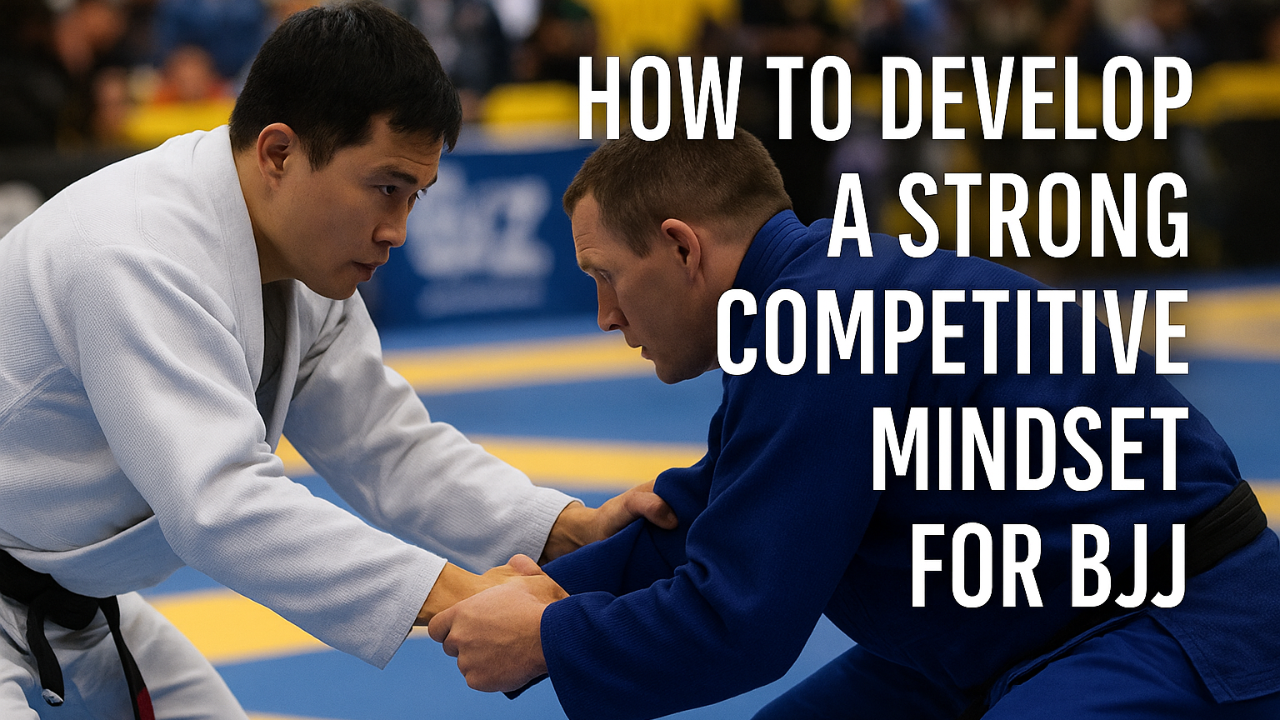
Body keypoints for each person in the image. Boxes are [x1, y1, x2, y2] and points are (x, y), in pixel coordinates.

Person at [428, 127, 1280, 719]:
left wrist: (549, 637)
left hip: (1175, 622)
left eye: (605, 275)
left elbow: (743, 622)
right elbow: (715, 517)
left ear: (684, 248)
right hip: (1011, 622)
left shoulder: (820, 323)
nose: (606, 316)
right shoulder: (814, 295)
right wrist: (553, 589)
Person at [0, 3, 674, 718]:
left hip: (74, 606)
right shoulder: (135, 251)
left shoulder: (297, 264)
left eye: (415, 197)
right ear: (279, 153)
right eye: (386, 188)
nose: (398, 231)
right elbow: (221, 505)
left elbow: (387, 448)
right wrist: (460, 594)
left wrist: (569, 529)